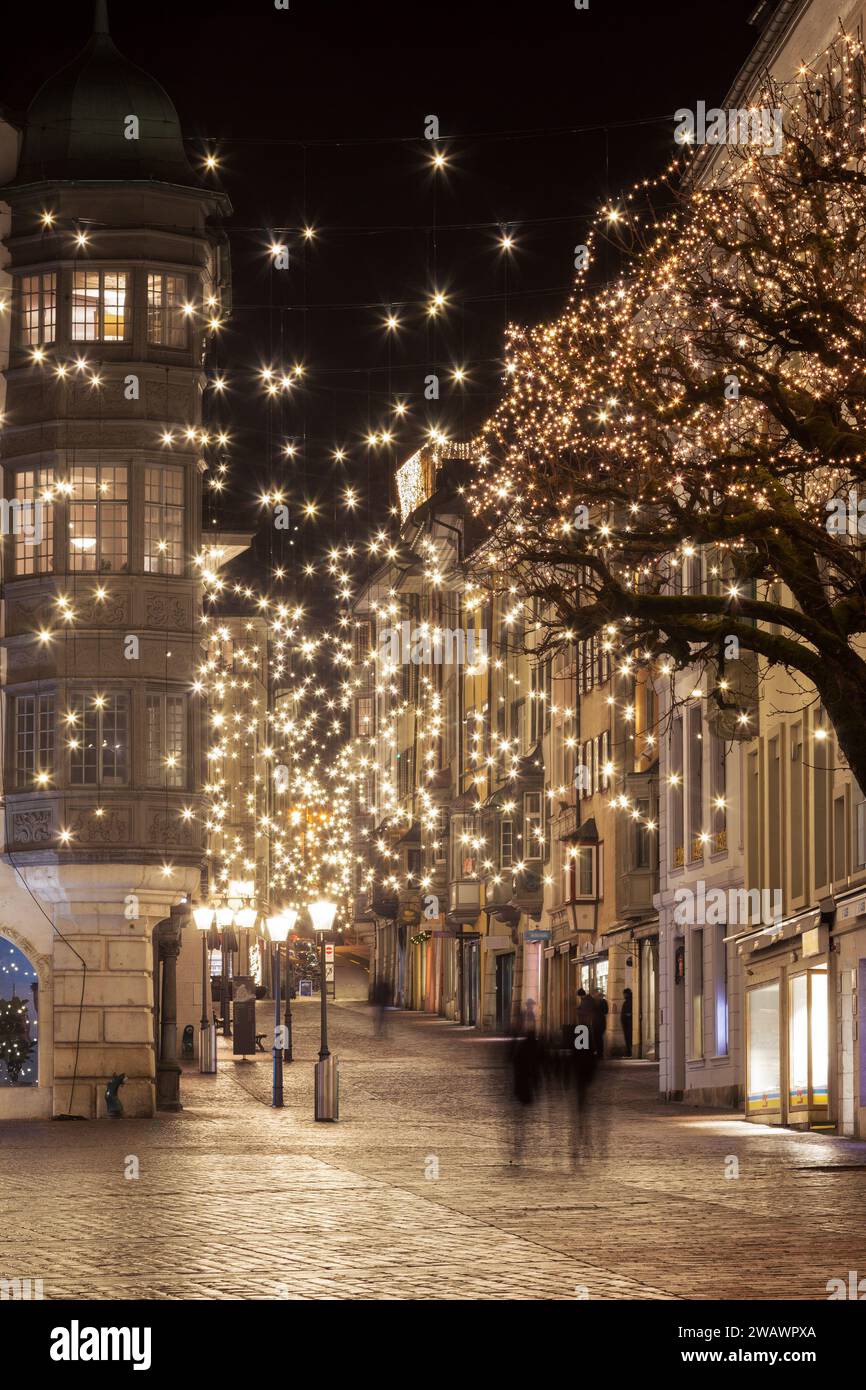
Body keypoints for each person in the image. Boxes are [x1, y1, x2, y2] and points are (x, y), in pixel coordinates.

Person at [590, 987, 608, 1058]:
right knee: (597, 1038)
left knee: (598, 1038)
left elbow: (605, 1011)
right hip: (599, 1021)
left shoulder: (598, 1002)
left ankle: (599, 1052)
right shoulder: (602, 1002)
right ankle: (599, 1052)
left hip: (598, 1022)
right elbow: (606, 1011)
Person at [621, 986, 633, 1057]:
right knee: (627, 1038)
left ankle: (629, 1052)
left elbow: (629, 1012)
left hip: (628, 1023)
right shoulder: (627, 1001)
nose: (624, 995)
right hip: (626, 1023)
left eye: (624, 994)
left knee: (629, 1038)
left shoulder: (629, 1001)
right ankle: (628, 1052)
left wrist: (628, 1015)